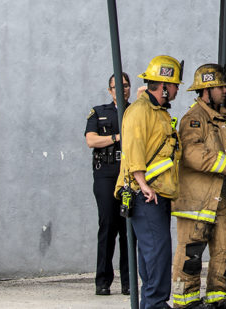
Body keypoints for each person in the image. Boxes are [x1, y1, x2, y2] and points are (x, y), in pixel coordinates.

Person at [170, 64, 226, 309]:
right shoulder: (193, 119)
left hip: (222, 197)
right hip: (197, 199)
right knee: (191, 251)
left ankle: (217, 297)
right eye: (220, 87)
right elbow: (191, 152)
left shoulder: (223, 117)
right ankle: (185, 301)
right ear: (205, 90)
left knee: (225, 248)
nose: (225, 90)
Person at [116, 55, 182, 309]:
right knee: (157, 253)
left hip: (158, 193)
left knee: (152, 254)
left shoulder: (159, 113)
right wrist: (142, 184)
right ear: (163, 86)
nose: (177, 89)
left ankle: (152, 303)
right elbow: (133, 149)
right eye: (174, 84)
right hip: (145, 194)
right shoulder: (139, 112)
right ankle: (155, 304)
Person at [84, 72, 132, 296]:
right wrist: (116, 138)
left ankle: (128, 282)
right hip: (105, 173)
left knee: (127, 229)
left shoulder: (136, 111)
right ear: (109, 90)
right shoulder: (99, 111)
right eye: (116, 87)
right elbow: (91, 140)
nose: (121, 90)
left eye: (125, 86)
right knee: (108, 226)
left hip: (129, 173)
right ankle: (102, 281)